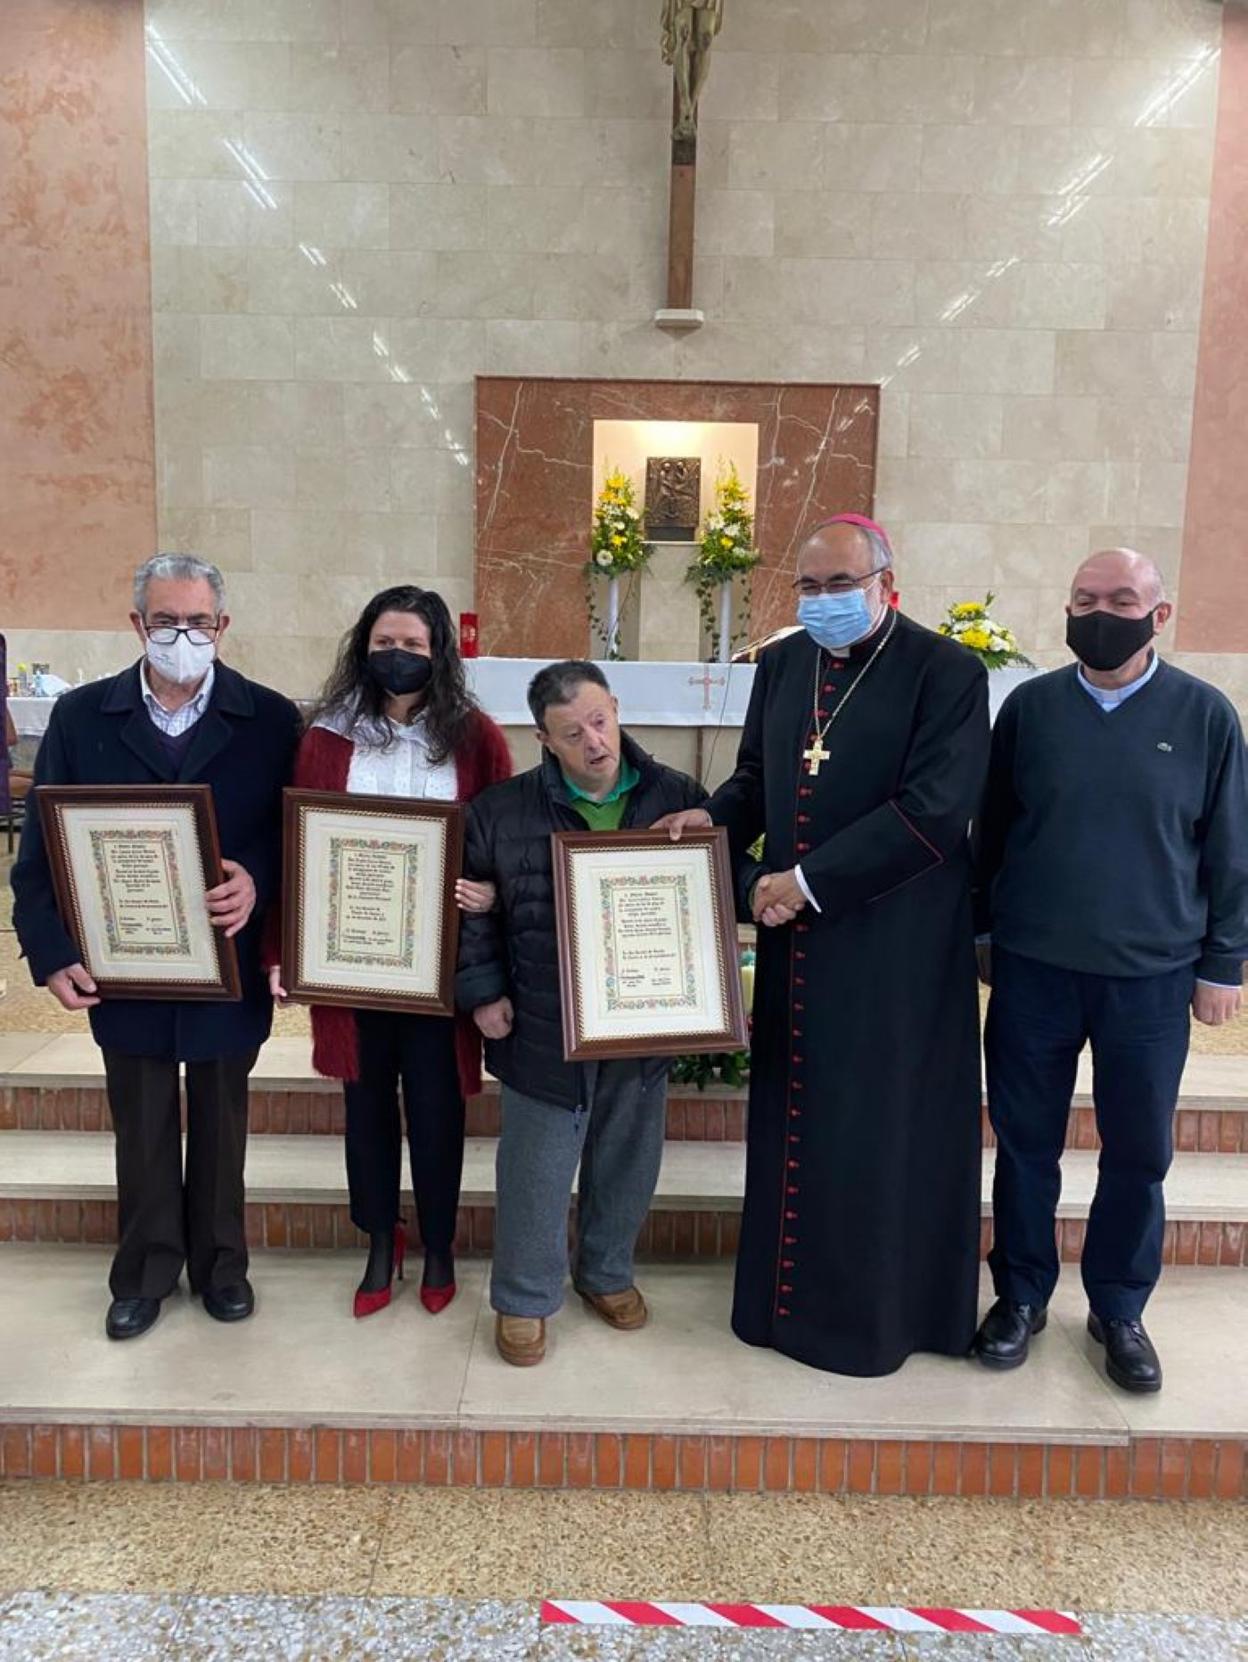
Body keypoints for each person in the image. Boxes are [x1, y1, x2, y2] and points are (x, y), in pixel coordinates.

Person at [658, 515, 991, 1377]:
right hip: (801, 948)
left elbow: (933, 812)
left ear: (888, 584)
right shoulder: (782, 662)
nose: (823, 602)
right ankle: (780, 1307)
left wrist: (803, 883)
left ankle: (874, 1319)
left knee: (873, 1125)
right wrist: (717, 818)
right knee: (800, 1110)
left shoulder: (946, 671)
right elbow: (760, 779)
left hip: (896, 946)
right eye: (808, 587)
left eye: (841, 585)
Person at [973, 549, 1247, 1394]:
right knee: (1024, 1146)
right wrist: (982, 932)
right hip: (1034, 970)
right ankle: (1018, 1295)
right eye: (1085, 598)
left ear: (1159, 615)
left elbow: (1231, 850)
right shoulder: (1031, 709)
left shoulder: (1205, 717)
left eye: (1120, 599)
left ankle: (1119, 1308)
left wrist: (1224, 964)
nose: (1100, 612)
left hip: (1152, 978)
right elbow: (994, 830)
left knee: (1138, 1152)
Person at [11, 554, 301, 1340]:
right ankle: (143, 1270)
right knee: (139, 1124)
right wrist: (50, 950)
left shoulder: (271, 719)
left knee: (221, 1122)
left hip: (225, 963)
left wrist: (260, 882)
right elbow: (40, 850)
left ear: (223, 627)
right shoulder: (80, 717)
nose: (183, 635)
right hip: (125, 968)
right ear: (137, 624)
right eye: (167, 620)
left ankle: (220, 1265)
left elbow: (293, 835)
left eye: (198, 622)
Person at [267, 586, 511, 1318]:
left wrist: (491, 896)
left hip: (439, 968)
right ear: (363, 647)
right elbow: (295, 848)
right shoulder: (324, 737)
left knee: (437, 1110)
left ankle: (437, 1242)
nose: (397, 656)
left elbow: (504, 840)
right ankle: (381, 1237)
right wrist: (285, 947)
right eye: (385, 643)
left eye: (412, 644)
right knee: (366, 1107)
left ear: (439, 652)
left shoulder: (475, 738)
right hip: (352, 966)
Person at [457, 660, 707, 1366]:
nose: (594, 742)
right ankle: (525, 1298)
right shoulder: (500, 811)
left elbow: (707, 896)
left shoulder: (677, 796)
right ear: (544, 738)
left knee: (628, 1158)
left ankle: (606, 1273)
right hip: (541, 1016)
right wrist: (483, 992)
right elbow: (470, 909)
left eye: (601, 721)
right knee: (535, 1168)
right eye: (572, 733)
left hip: (641, 1015)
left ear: (617, 710)